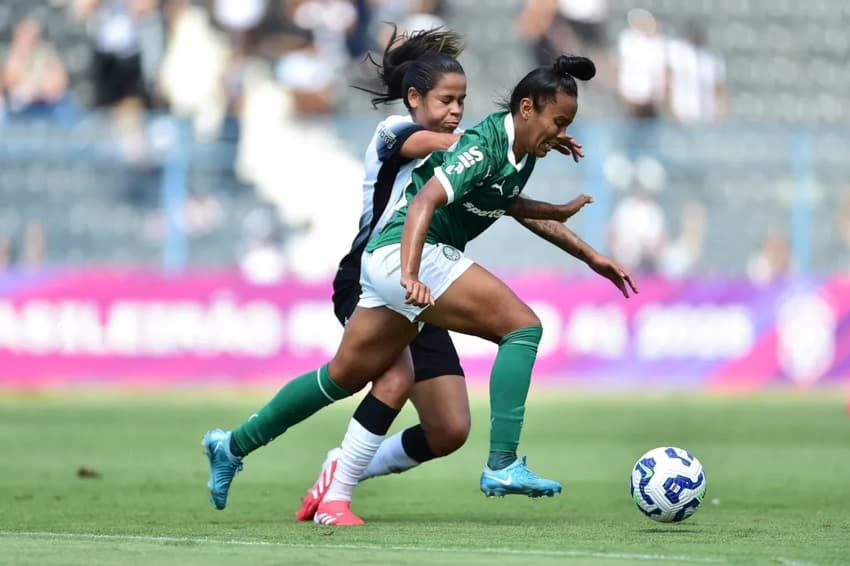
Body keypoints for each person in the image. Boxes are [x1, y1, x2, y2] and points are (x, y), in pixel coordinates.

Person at [203, 52, 638, 526]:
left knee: (440, 423)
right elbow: (448, 164)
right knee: (432, 363)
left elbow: (505, 199)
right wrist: (503, 139)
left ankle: (237, 445)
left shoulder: (501, 150)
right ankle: (349, 494)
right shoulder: (397, 131)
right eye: (446, 99)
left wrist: (579, 238)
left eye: (462, 101)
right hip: (385, 265)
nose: (456, 109)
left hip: (421, 272)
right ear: (414, 99)